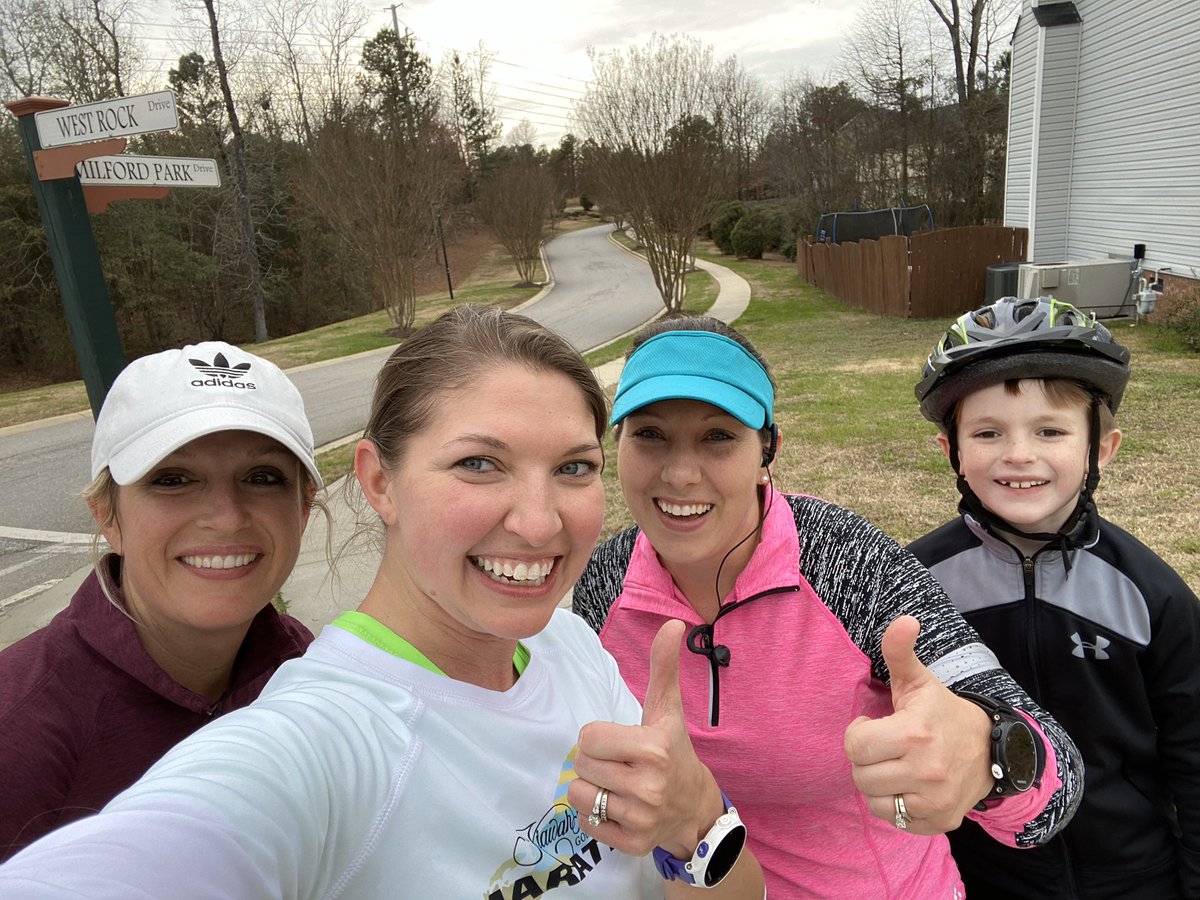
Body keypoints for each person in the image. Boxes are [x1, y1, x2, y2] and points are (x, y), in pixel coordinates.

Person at [0, 305, 765, 899]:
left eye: (572, 467)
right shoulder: (324, 742)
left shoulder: (571, 649)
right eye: (478, 464)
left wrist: (699, 823)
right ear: (376, 482)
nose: (540, 521)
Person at [572, 315, 1085, 897]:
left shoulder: (847, 561)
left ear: (768, 450)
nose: (681, 473)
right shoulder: (602, 582)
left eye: (718, 436)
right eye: (650, 434)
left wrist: (990, 754)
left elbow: (1058, 778)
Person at [908, 295, 1200, 898]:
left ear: (1101, 449)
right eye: (988, 432)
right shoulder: (915, 583)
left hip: (1134, 875)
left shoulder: (1150, 595)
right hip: (983, 873)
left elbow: (1194, 758)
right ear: (952, 452)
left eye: (1050, 430)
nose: (1019, 454)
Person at [0, 341, 322, 861]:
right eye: (172, 480)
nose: (226, 516)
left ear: (303, 509)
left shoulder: (301, 668)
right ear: (107, 514)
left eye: (263, 477)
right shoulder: (18, 732)